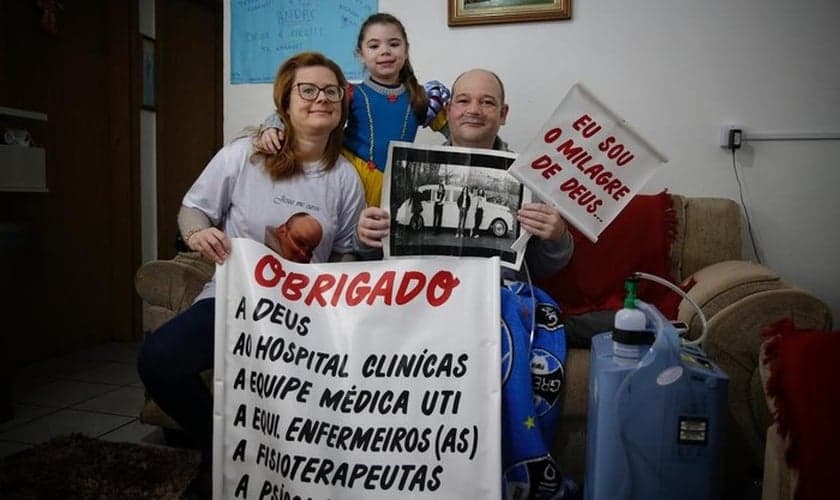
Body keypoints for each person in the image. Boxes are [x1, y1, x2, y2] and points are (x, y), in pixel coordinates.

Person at [137, 52, 366, 499]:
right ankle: (222, 449)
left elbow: (345, 257)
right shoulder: (243, 155)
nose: (321, 98)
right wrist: (198, 234)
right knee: (158, 360)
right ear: (285, 101)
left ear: (342, 105)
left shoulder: (345, 178)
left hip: (305, 317)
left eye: (331, 91)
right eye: (308, 89)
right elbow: (193, 209)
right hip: (232, 298)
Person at [356, 68, 579, 499]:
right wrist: (367, 236)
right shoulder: (405, 168)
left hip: (499, 297)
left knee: (511, 317)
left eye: (486, 102)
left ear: (503, 113)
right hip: (423, 296)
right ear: (449, 109)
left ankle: (517, 476)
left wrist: (557, 235)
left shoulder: (530, 178)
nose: (473, 110)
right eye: (463, 100)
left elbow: (548, 269)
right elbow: (375, 258)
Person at [258, 12, 450, 208]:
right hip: (348, 176)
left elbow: (459, 131)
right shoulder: (348, 92)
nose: (385, 51)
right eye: (374, 46)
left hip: (397, 184)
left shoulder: (422, 96)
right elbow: (297, 110)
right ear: (360, 54)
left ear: (406, 49)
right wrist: (272, 126)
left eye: (394, 44)